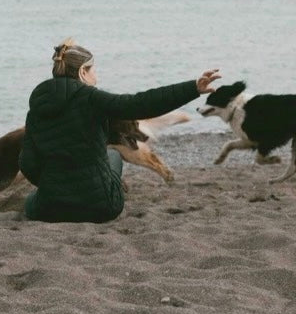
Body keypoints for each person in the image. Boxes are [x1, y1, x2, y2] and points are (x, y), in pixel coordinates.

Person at [19, 38, 221, 223]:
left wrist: (52, 185)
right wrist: (193, 88)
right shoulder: (91, 98)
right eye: (93, 70)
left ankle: (56, 195)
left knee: (31, 202)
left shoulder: (36, 109)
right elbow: (141, 103)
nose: (95, 75)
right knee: (113, 155)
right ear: (82, 72)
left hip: (50, 209)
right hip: (101, 207)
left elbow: (27, 163)